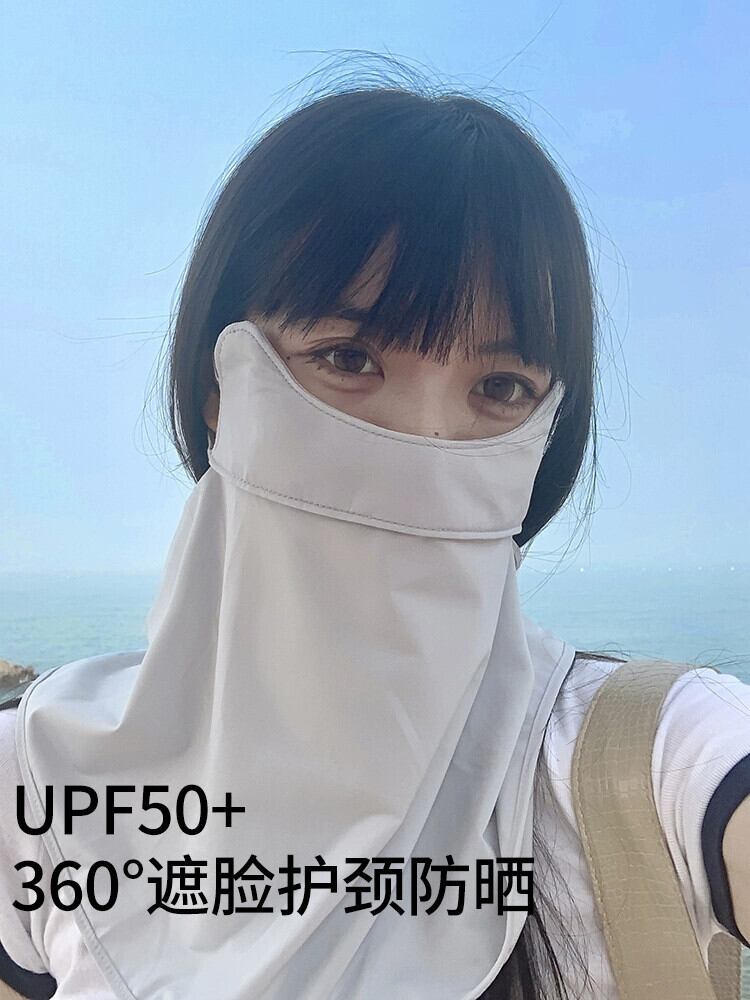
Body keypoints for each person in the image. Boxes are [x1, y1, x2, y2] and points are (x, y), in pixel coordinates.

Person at [1, 70, 749, 1000]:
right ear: (216, 390)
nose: (426, 445)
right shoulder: (40, 783)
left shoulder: (649, 755)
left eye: (501, 388)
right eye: (347, 357)